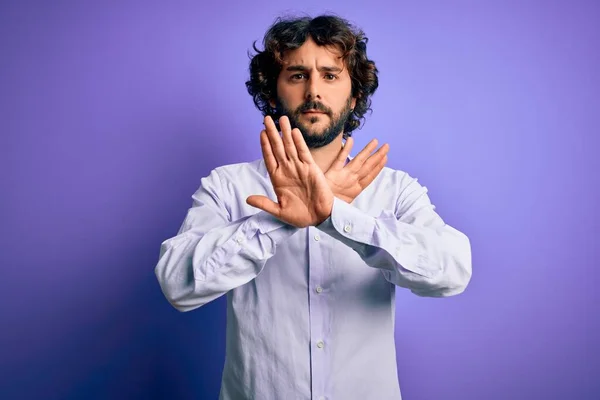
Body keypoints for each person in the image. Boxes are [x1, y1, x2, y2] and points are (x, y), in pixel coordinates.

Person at [155, 14, 472, 400]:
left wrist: (336, 217)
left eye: (330, 75)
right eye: (297, 75)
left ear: (354, 95)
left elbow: (453, 272)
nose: (313, 91)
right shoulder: (227, 186)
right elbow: (177, 285)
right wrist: (279, 220)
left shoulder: (395, 189)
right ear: (272, 92)